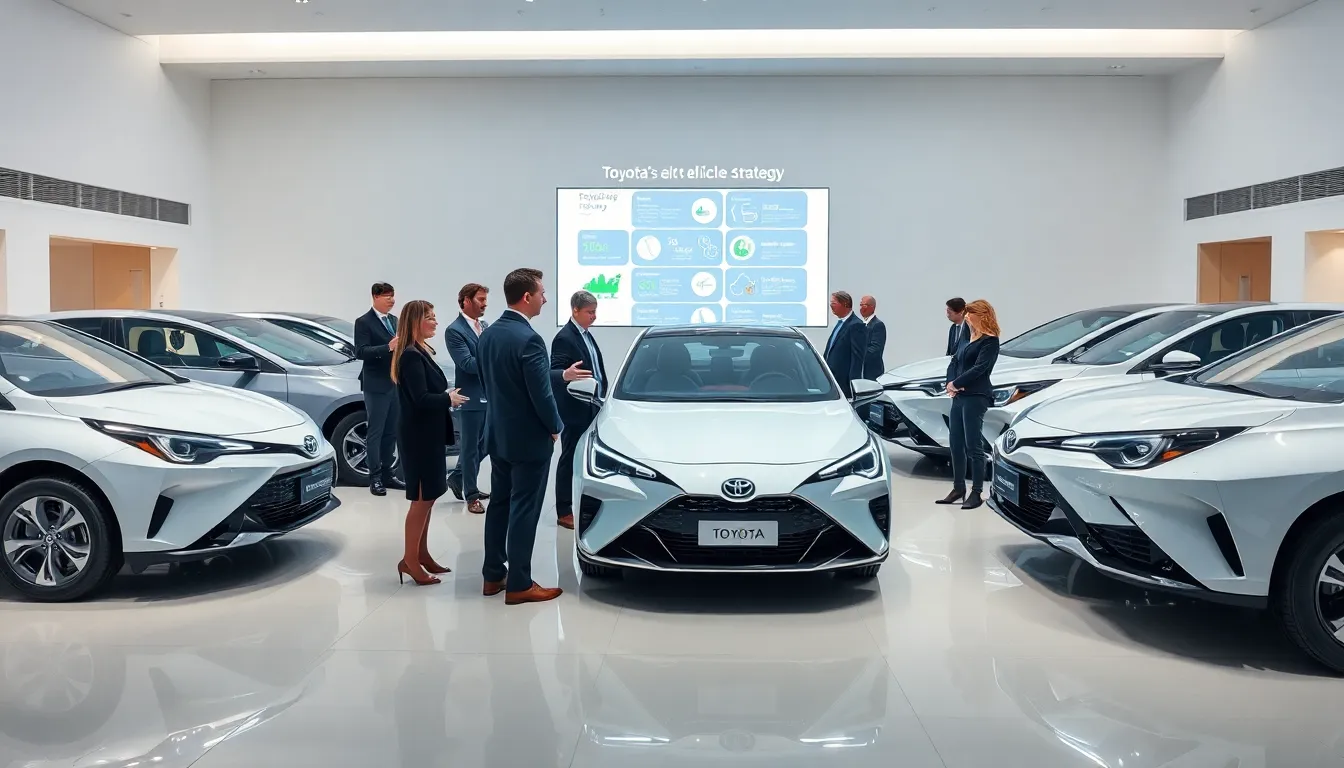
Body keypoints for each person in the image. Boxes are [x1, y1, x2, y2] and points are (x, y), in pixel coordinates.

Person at [478, 268, 590, 605]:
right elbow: (541, 394)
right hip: (529, 439)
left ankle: (492, 575)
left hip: (498, 434)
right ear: (526, 297)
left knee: (499, 502)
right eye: (542, 292)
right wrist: (556, 426)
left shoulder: (488, 334)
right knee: (524, 507)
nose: (545, 298)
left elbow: (489, 385)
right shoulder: (529, 339)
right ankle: (520, 584)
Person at [391, 300, 469, 586]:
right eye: (430, 318)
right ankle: (409, 561)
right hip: (419, 437)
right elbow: (420, 400)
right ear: (415, 322)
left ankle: (421, 554)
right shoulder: (410, 356)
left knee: (430, 497)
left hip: (428, 434)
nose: (436, 322)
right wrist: (447, 398)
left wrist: (446, 394)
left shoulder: (419, 352)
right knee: (421, 500)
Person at [550, 290, 607, 531]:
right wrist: (568, 376)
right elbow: (556, 372)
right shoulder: (565, 337)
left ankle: (585, 504)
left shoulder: (586, 335)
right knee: (569, 458)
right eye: (589, 312)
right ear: (575, 310)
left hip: (592, 406)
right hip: (575, 409)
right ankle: (564, 511)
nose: (594, 316)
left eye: (595, 312)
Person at [937, 299, 1000, 510]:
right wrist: (950, 382)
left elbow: (981, 369)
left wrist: (958, 382)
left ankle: (976, 491)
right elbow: (954, 361)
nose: (966, 319)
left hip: (976, 396)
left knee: (974, 446)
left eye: (969, 315)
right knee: (955, 443)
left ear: (981, 316)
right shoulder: (966, 336)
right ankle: (958, 488)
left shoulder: (990, 341)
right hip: (958, 396)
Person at [445, 283, 491, 514]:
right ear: (465, 300)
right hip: (469, 398)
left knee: (488, 443)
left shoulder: (484, 325)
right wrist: (496, 359)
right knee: (471, 447)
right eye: (480, 299)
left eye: (485, 299)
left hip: (489, 396)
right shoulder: (454, 330)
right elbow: (467, 364)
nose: (484, 304)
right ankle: (471, 495)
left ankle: (458, 476)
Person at [354, 282, 402, 496]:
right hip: (376, 383)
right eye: (387, 296)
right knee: (376, 431)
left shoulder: (394, 320)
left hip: (395, 382)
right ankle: (374, 478)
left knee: (391, 431)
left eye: (393, 296)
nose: (391, 300)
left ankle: (388, 473)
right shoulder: (364, 322)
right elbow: (361, 351)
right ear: (375, 296)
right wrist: (387, 347)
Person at [823, 291, 865, 397]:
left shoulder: (856, 325)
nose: (830, 306)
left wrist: (853, 386)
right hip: (831, 380)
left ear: (845, 304)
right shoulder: (840, 323)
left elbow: (857, 358)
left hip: (844, 384)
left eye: (833, 303)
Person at [859, 294, 886, 379]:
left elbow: (875, 348)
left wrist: (858, 357)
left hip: (871, 372)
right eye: (861, 305)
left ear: (872, 307)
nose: (862, 308)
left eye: (864, 305)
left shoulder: (878, 325)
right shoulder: (859, 324)